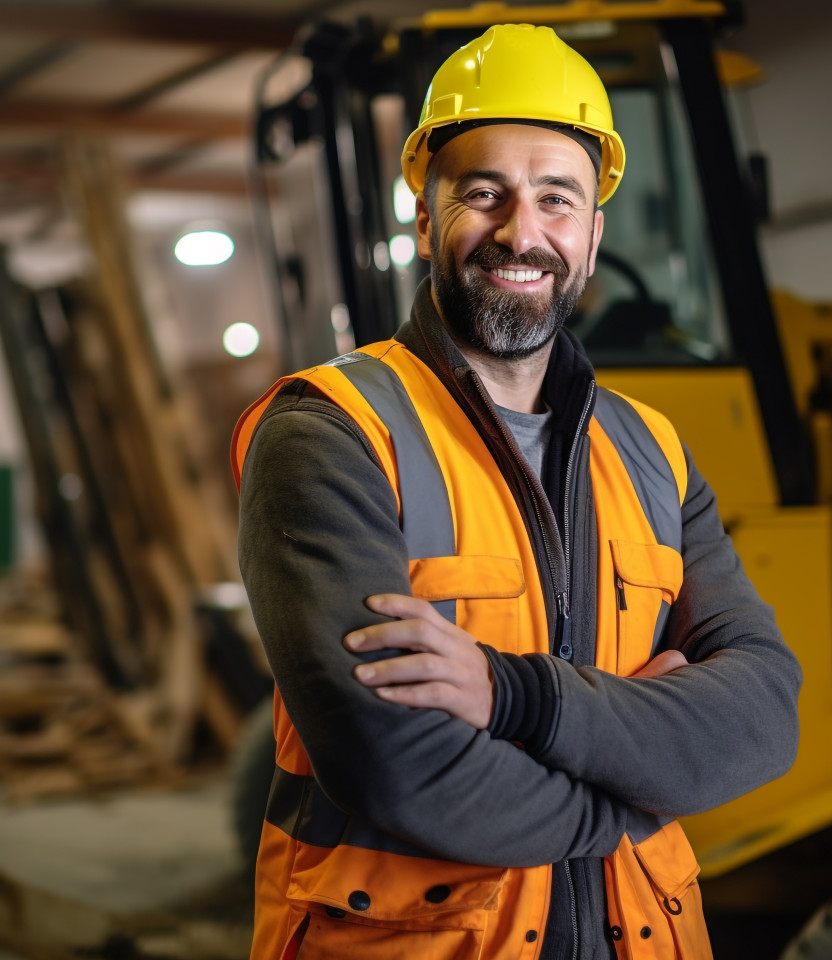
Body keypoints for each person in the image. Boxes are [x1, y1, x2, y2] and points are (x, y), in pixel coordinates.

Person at [231, 22, 801, 960]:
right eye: (483, 194)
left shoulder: (652, 449)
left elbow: (764, 715)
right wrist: (634, 792)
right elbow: (398, 761)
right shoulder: (330, 433)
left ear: (592, 233)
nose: (521, 232)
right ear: (423, 217)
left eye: (556, 199)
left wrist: (513, 699)